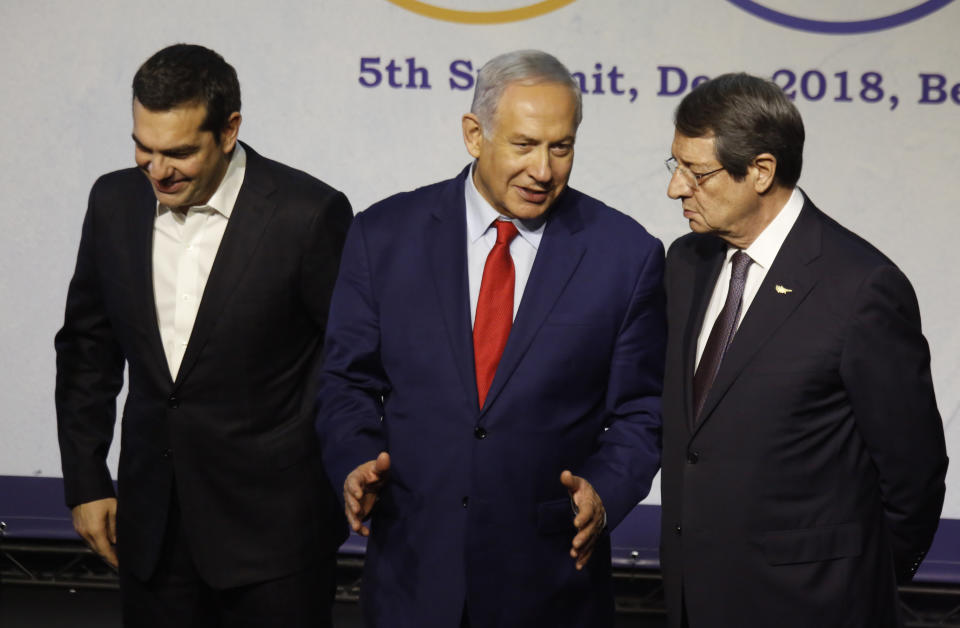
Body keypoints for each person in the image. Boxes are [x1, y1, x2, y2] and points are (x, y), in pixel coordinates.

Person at [315, 49, 666, 627]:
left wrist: (604, 492)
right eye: (524, 145)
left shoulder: (624, 256)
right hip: (413, 573)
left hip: (551, 582)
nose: (544, 170)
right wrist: (354, 461)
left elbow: (642, 410)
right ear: (474, 135)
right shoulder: (384, 236)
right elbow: (347, 381)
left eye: (562, 147)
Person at [54, 44, 352, 627]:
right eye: (144, 147)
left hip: (274, 538)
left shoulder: (308, 214)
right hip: (152, 531)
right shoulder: (113, 201)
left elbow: (351, 362)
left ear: (229, 130)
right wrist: (85, 480)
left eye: (180, 152)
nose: (157, 170)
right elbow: (88, 348)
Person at [659, 72, 948, 627]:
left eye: (697, 174)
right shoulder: (685, 263)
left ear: (761, 172)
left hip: (813, 605)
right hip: (692, 598)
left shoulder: (860, 287)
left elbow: (913, 469)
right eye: (675, 167)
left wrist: (864, 580)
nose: (676, 189)